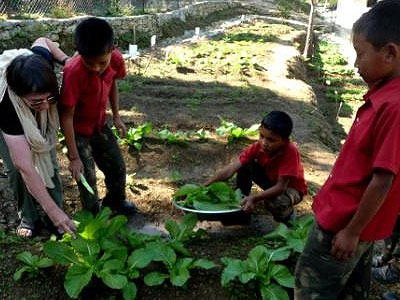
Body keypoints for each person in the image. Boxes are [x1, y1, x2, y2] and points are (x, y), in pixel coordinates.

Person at [294, 1, 400, 299]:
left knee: (311, 288)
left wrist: (352, 231)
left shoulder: (393, 107)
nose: (355, 64)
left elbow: (383, 180)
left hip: (344, 222)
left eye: (360, 54)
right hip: (358, 224)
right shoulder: (385, 95)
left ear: (389, 53)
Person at [59, 17, 136, 215]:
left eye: (101, 63)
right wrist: (74, 157)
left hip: (100, 125)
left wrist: (116, 116)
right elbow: (66, 115)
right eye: (89, 63)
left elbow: (112, 86)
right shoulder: (74, 72)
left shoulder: (116, 59)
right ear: (80, 54)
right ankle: (93, 217)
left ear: (113, 49)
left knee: (117, 167)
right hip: (78, 131)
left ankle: (115, 204)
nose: (96, 68)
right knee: (87, 178)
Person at [0, 37, 76, 237]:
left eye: (49, 98)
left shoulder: (42, 63)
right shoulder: (8, 105)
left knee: (48, 160)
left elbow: (43, 40)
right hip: (8, 120)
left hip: (30, 109)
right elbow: (24, 166)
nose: (45, 106)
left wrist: (66, 60)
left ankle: (57, 216)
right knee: (16, 170)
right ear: (20, 95)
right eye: (36, 102)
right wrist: (52, 211)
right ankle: (28, 216)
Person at [204, 111, 307, 224]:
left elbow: (280, 187)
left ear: (284, 141)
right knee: (245, 166)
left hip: (290, 188)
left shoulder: (290, 151)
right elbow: (230, 170)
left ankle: (289, 219)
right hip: (271, 181)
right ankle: (241, 210)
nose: (264, 142)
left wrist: (255, 198)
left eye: (271, 140)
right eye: (262, 136)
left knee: (276, 201)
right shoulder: (257, 148)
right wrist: (203, 187)